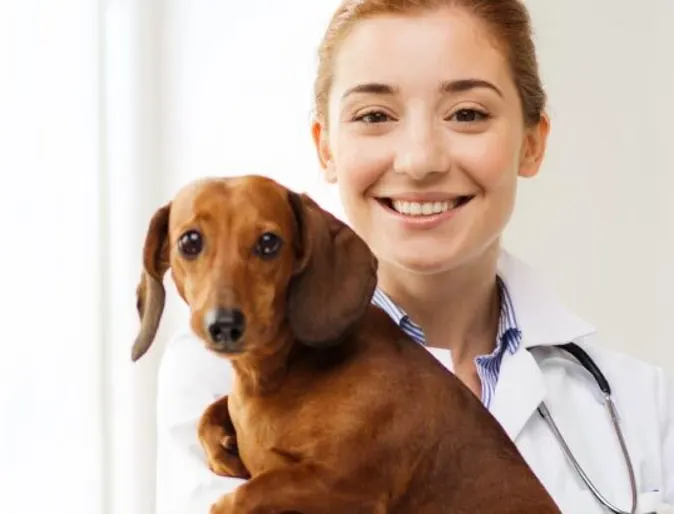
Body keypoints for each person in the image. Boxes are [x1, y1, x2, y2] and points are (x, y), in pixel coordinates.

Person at [153, 0, 673, 513]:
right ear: (326, 147)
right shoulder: (215, 374)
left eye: (467, 114)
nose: (420, 160)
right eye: (375, 115)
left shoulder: (644, 409)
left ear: (532, 143)